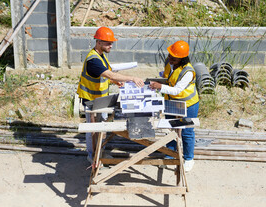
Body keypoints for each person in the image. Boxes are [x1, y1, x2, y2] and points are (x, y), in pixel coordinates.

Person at [77, 26, 144, 164]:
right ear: (99, 42)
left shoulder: (101, 56)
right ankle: (93, 156)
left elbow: (105, 75)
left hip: (100, 99)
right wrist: (132, 78)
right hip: (91, 101)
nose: (111, 46)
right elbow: (109, 73)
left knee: (102, 127)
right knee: (93, 130)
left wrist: (114, 81)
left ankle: (100, 151)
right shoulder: (93, 60)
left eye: (112, 43)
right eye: (108, 43)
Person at [149, 40, 199, 172]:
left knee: (187, 131)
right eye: (170, 55)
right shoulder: (169, 61)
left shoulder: (188, 71)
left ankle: (189, 159)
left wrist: (160, 87)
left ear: (182, 59)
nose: (170, 58)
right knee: (171, 127)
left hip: (188, 104)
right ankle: (170, 154)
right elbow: (168, 76)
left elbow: (177, 90)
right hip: (171, 101)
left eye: (173, 57)